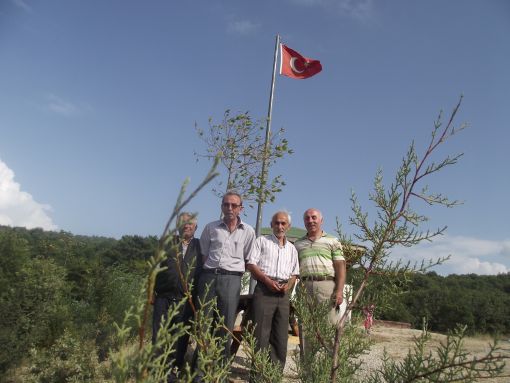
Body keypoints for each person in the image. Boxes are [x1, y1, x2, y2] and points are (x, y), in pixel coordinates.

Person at [195, 191, 256, 362]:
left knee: (225, 325)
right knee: (203, 324)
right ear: (221, 206)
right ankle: (199, 371)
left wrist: (231, 273)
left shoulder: (248, 231)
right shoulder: (210, 227)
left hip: (232, 280)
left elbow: (248, 258)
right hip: (208, 277)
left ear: (240, 208)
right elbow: (203, 256)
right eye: (226, 204)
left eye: (233, 205)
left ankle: (219, 370)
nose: (229, 208)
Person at [152, 212, 202, 381]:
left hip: (185, 301)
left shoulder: (200, 246)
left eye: (190, 223)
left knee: (180, 339)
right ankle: (158, 372)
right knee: (159, 336)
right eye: (183, 223)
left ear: (195, 226)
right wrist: (151, 292)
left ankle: (173, 372)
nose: (186, 226)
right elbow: (154, 267)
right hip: (163, 298)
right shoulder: (167, 242)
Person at [247, 211, 299, 370]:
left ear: (288, 226)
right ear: (271, 225)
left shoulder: (292, 249)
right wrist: (267, 281)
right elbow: (251, 264)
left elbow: (294, 273)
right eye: (277, 223)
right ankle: (258, 377)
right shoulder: (261, 241)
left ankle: (274, 376)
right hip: (264, 290)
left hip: (283, 294)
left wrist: (288, 286)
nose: (280, 226)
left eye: (283, 223)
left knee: (280, 336)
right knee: (261, 335)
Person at [294, 208, 346, 353]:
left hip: (326, 286)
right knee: (305, 329)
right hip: (304, 287)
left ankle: (332, 371)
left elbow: (340, 267)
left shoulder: (333, 241)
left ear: (321, 220)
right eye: (307, 218)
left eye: (314, 217)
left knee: (329, 327)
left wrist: (339, 290)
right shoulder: (298, 244)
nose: (310, 220)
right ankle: (308, 372)